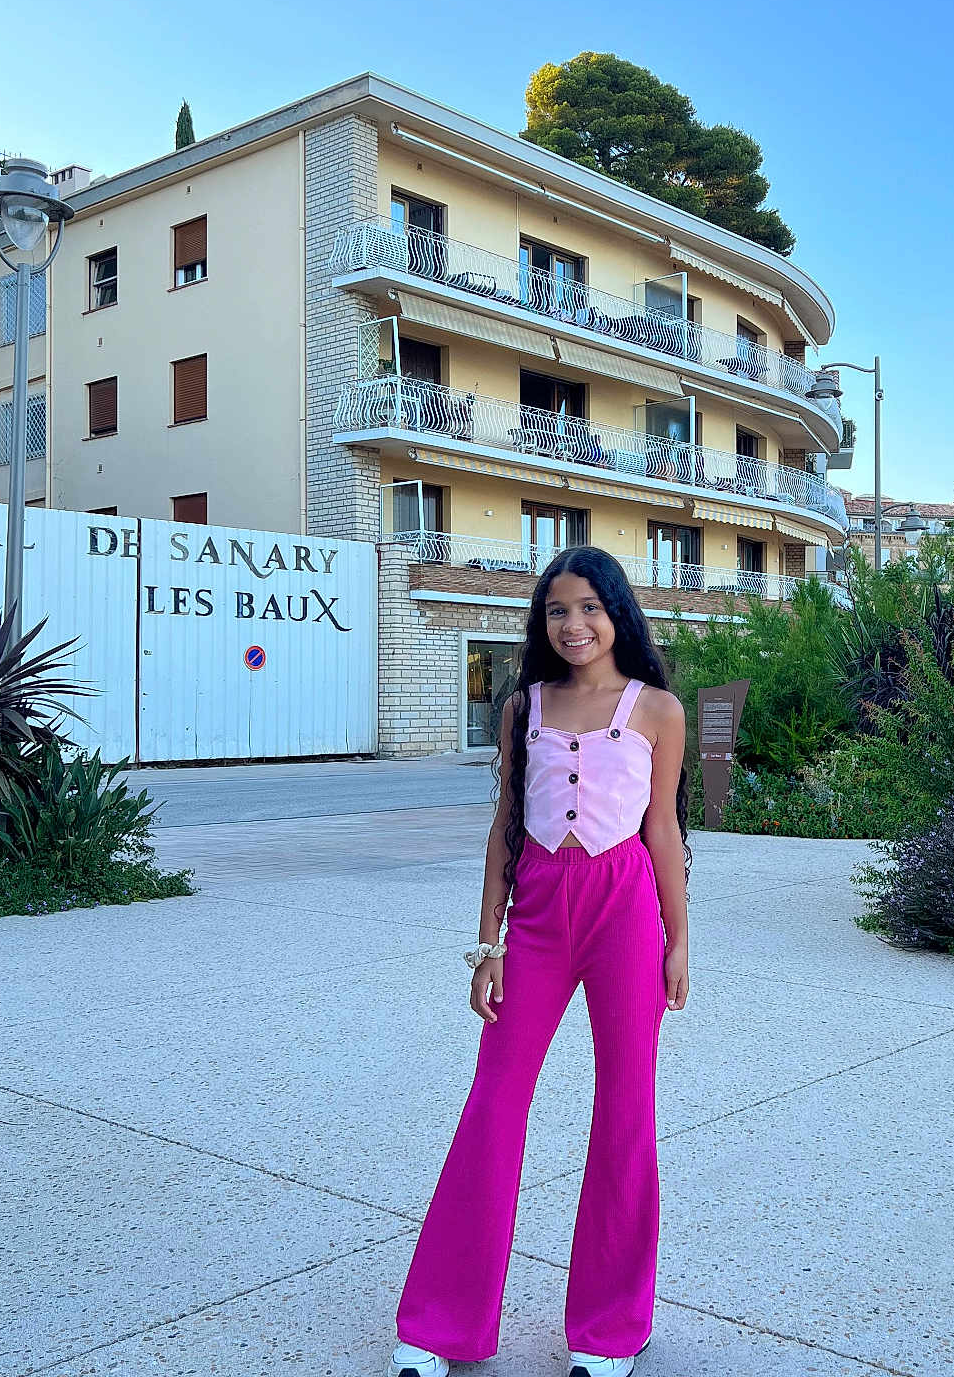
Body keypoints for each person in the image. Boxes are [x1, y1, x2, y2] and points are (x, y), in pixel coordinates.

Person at [387, 546, 691, 1377]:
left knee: (627, 1105)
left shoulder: (657, 710)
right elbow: (504, 827)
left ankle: (610, 1329)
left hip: (624, 905)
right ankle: (441, 1324)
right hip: (539, 912)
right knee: (495, 1099)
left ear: (617, 612)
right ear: (542, 621)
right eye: (558, 610)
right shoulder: (524, 706)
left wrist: (677, 940)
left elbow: (663, 828)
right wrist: (488, 945)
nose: (573, 624)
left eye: (590, 607)